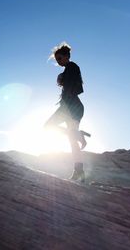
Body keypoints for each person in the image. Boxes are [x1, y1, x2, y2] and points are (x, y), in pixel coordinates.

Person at [44, 42, 90, 182]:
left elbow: (75, 87)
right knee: (52, 128)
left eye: (60, 58)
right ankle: (77, 135)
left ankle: (78, 171)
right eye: (57, 60)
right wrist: (61, 78)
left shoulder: (72, 66)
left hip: (72, 107)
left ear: (67, 56)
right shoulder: (68, 69)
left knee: (66, 137)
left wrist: (62, 79)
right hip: (67, 107)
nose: (58, 62)